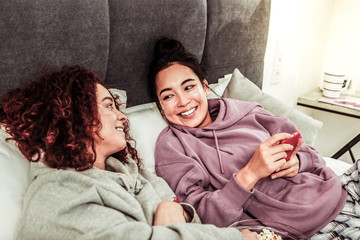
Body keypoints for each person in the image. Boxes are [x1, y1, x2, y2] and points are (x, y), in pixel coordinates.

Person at [0, 65, 256, 240]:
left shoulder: (132, 174)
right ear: (73, 114)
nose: (123, 116)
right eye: (109, 105)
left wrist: (178, 213)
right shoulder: (57, 196)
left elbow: (195, 222)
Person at [149, 37, 360, 239]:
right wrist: (250, 173)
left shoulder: (246, 111)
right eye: (168, 96)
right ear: (160, 107)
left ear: (205, 87)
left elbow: (309, 152)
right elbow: (199, 216)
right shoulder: (172, 147)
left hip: (341, 191)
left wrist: (298, 161)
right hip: (306, 229)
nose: (183, 101)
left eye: (189, 87)